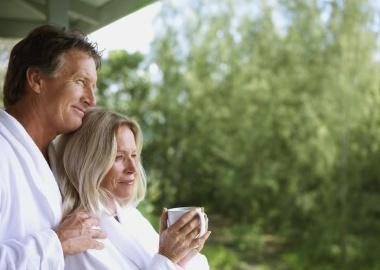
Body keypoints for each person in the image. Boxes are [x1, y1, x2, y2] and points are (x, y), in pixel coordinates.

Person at [0, 25, 107, 269]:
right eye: (80, 81)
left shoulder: (60, 161)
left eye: (94, 86)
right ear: (37, 80)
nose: (91, 99)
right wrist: (56, 243)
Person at [52, 107, 211, 269]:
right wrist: (167, 258)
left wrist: (182, 257)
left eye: (134, 155)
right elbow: (162, 262)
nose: (133, 168)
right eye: (119, 157)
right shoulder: (81, 238)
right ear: (87, 163)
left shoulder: (131, 217)